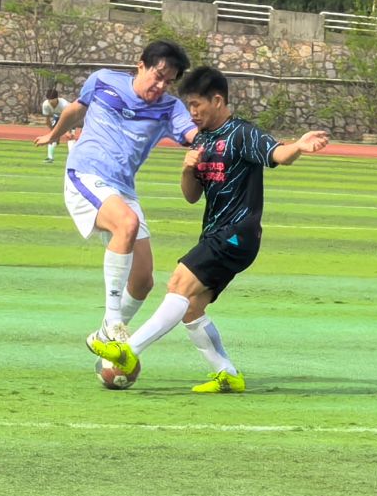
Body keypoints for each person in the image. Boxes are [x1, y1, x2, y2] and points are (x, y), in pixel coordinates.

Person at [90, 66, 329, 393]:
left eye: (196, 105)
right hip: (217, 233)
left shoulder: (242, 133)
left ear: (217, 100)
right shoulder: (202, 140)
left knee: (178, 282)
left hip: (237, 233)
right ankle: (227, 374)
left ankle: (129, 351)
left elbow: (278, 154)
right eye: (188, 105)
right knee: (191, 308)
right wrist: (187, 170)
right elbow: (191, 196)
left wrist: (299, 146)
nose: (192, 112)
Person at [37, 39, 195, 348]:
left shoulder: (169, 108)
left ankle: (101, 336)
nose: (161, 86)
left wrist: (219, 140)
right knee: (126, 223)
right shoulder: (103, 80)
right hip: (85, 173)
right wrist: (53, 135)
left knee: (143, 281)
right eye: (158, 76)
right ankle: (112, 323)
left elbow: (192, 134)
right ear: (141, 65)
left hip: (123, 188)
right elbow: (75, 110)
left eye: (168, 82)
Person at [40, 88, 73, 162]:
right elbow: (47, 121)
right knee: (52, 136)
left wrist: (67, 132)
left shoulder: (64, 105)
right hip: (57, 116)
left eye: (52, 99)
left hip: (71, 117)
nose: (51, 101)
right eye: (49, 99)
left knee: (70, 136)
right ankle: (50, 158)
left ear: (57, 98)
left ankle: (72, 158)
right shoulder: (46, 104)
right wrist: (53, 132)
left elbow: (68, 119)